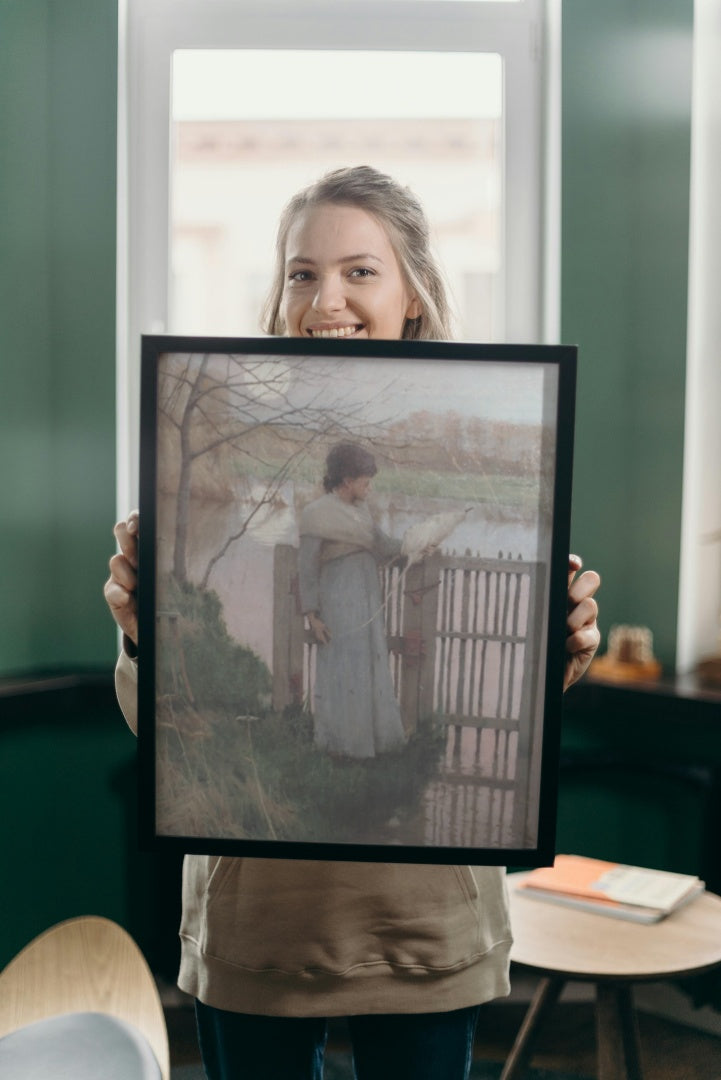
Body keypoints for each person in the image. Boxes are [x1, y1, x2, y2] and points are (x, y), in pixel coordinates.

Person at [105, 166, 601, 1080]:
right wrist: (147, 637)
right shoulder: (214, 432)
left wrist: (557, 651)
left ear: (413, 291)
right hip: (259, 923)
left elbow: (520, 707)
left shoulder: (500, 416)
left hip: (421, 923)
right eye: (301, 272)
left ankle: (367, 754)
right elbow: (165, 728)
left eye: (359, 271)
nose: (324, 297)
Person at [298, 440, 406, 759]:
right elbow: (307, 568)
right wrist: (313, 616)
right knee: (344, 670)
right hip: (338, 603)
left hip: (366, 597)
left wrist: (416, 544)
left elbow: (385, 545)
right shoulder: (316, 514)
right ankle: (342, 748)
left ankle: (372, 744)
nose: (369, 489)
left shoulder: (361, 512)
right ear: (346, 481)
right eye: (365, 482)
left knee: (369, 666)